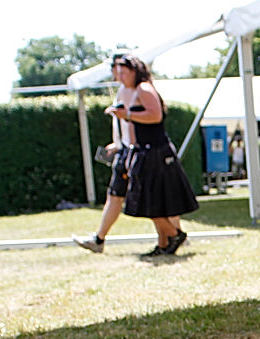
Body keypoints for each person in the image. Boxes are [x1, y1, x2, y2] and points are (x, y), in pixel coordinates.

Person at [73, 54, 199, 258]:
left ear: (135, 70)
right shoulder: (131, 90)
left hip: (154, 151)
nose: (120, 75)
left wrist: (128, 116)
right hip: (142, 150)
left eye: (124, 71)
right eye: (118, 71)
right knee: (151, 200)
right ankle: (165, 242)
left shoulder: (143, 88)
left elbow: (155, 115)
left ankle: (174, 235)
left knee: (149, 200)